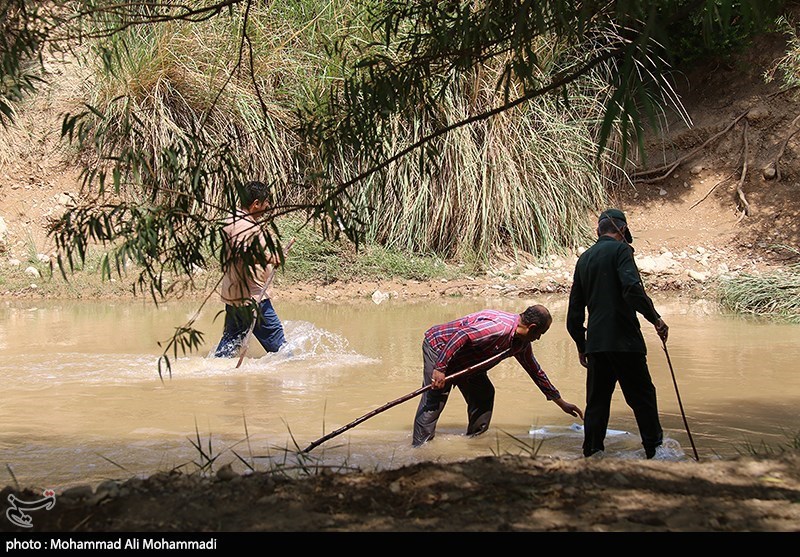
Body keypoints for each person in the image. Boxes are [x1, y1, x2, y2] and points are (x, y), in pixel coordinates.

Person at [566, 208, 669, 459]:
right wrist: (655, 318)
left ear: (597, 231)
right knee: (642, 398)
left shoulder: (584, 259)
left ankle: (591, 453)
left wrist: (582, 344)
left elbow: (574, 313)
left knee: (597, 403)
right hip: (625, 341)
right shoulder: (623, 250)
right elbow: (632, 289)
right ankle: (655, 452)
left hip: (597, 345)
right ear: (623, 230)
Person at [412, 305, 583, 447]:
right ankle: (420, 448)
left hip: (468, 359)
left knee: (483, 393)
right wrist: (440, 368)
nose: (538, 339)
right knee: (435, 399)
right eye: (540, 334)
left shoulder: (520, 344)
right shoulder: (498, 328)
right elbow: (462, 335)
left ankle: (474, 442)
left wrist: (561, 403)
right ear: (531, 328)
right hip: (440, 348)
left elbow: (536, 372)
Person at [214, 180, 288, 358]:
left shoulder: (231, 219)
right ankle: (292, 370)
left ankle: (219, 373)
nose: (268, 206)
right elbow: (244, 253)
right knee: (278, 344)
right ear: (256, 204)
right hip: (252, 297)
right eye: (266, 202)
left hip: (234, 294)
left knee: (231, 340)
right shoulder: (246, 226)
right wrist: (272, 258)